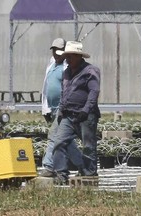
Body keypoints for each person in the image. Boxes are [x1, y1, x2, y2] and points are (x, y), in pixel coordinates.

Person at [52, 41, 101, 184]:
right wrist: (61, 111)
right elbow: (64, 93)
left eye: (71, 56)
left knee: (88, 145)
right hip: (68, 114)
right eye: (67, 56)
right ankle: (61, 174)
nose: (68, 59)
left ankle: (89, 173)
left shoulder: (91, 71)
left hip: (85, 115)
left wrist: (86, 110)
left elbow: (94, 92)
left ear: (79, 56)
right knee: (59, 142)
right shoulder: (67, 72)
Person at [40, 38, 81, 177]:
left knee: (53, 136)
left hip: (63, 107)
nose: (56, 54)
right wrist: (45, 108)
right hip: (52, 108)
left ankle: (49, 166)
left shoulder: (67, 67)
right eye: (54, 51)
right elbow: (46, 88)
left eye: (59, 51)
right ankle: (83, 164)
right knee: (66, 140)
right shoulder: (51, 65)